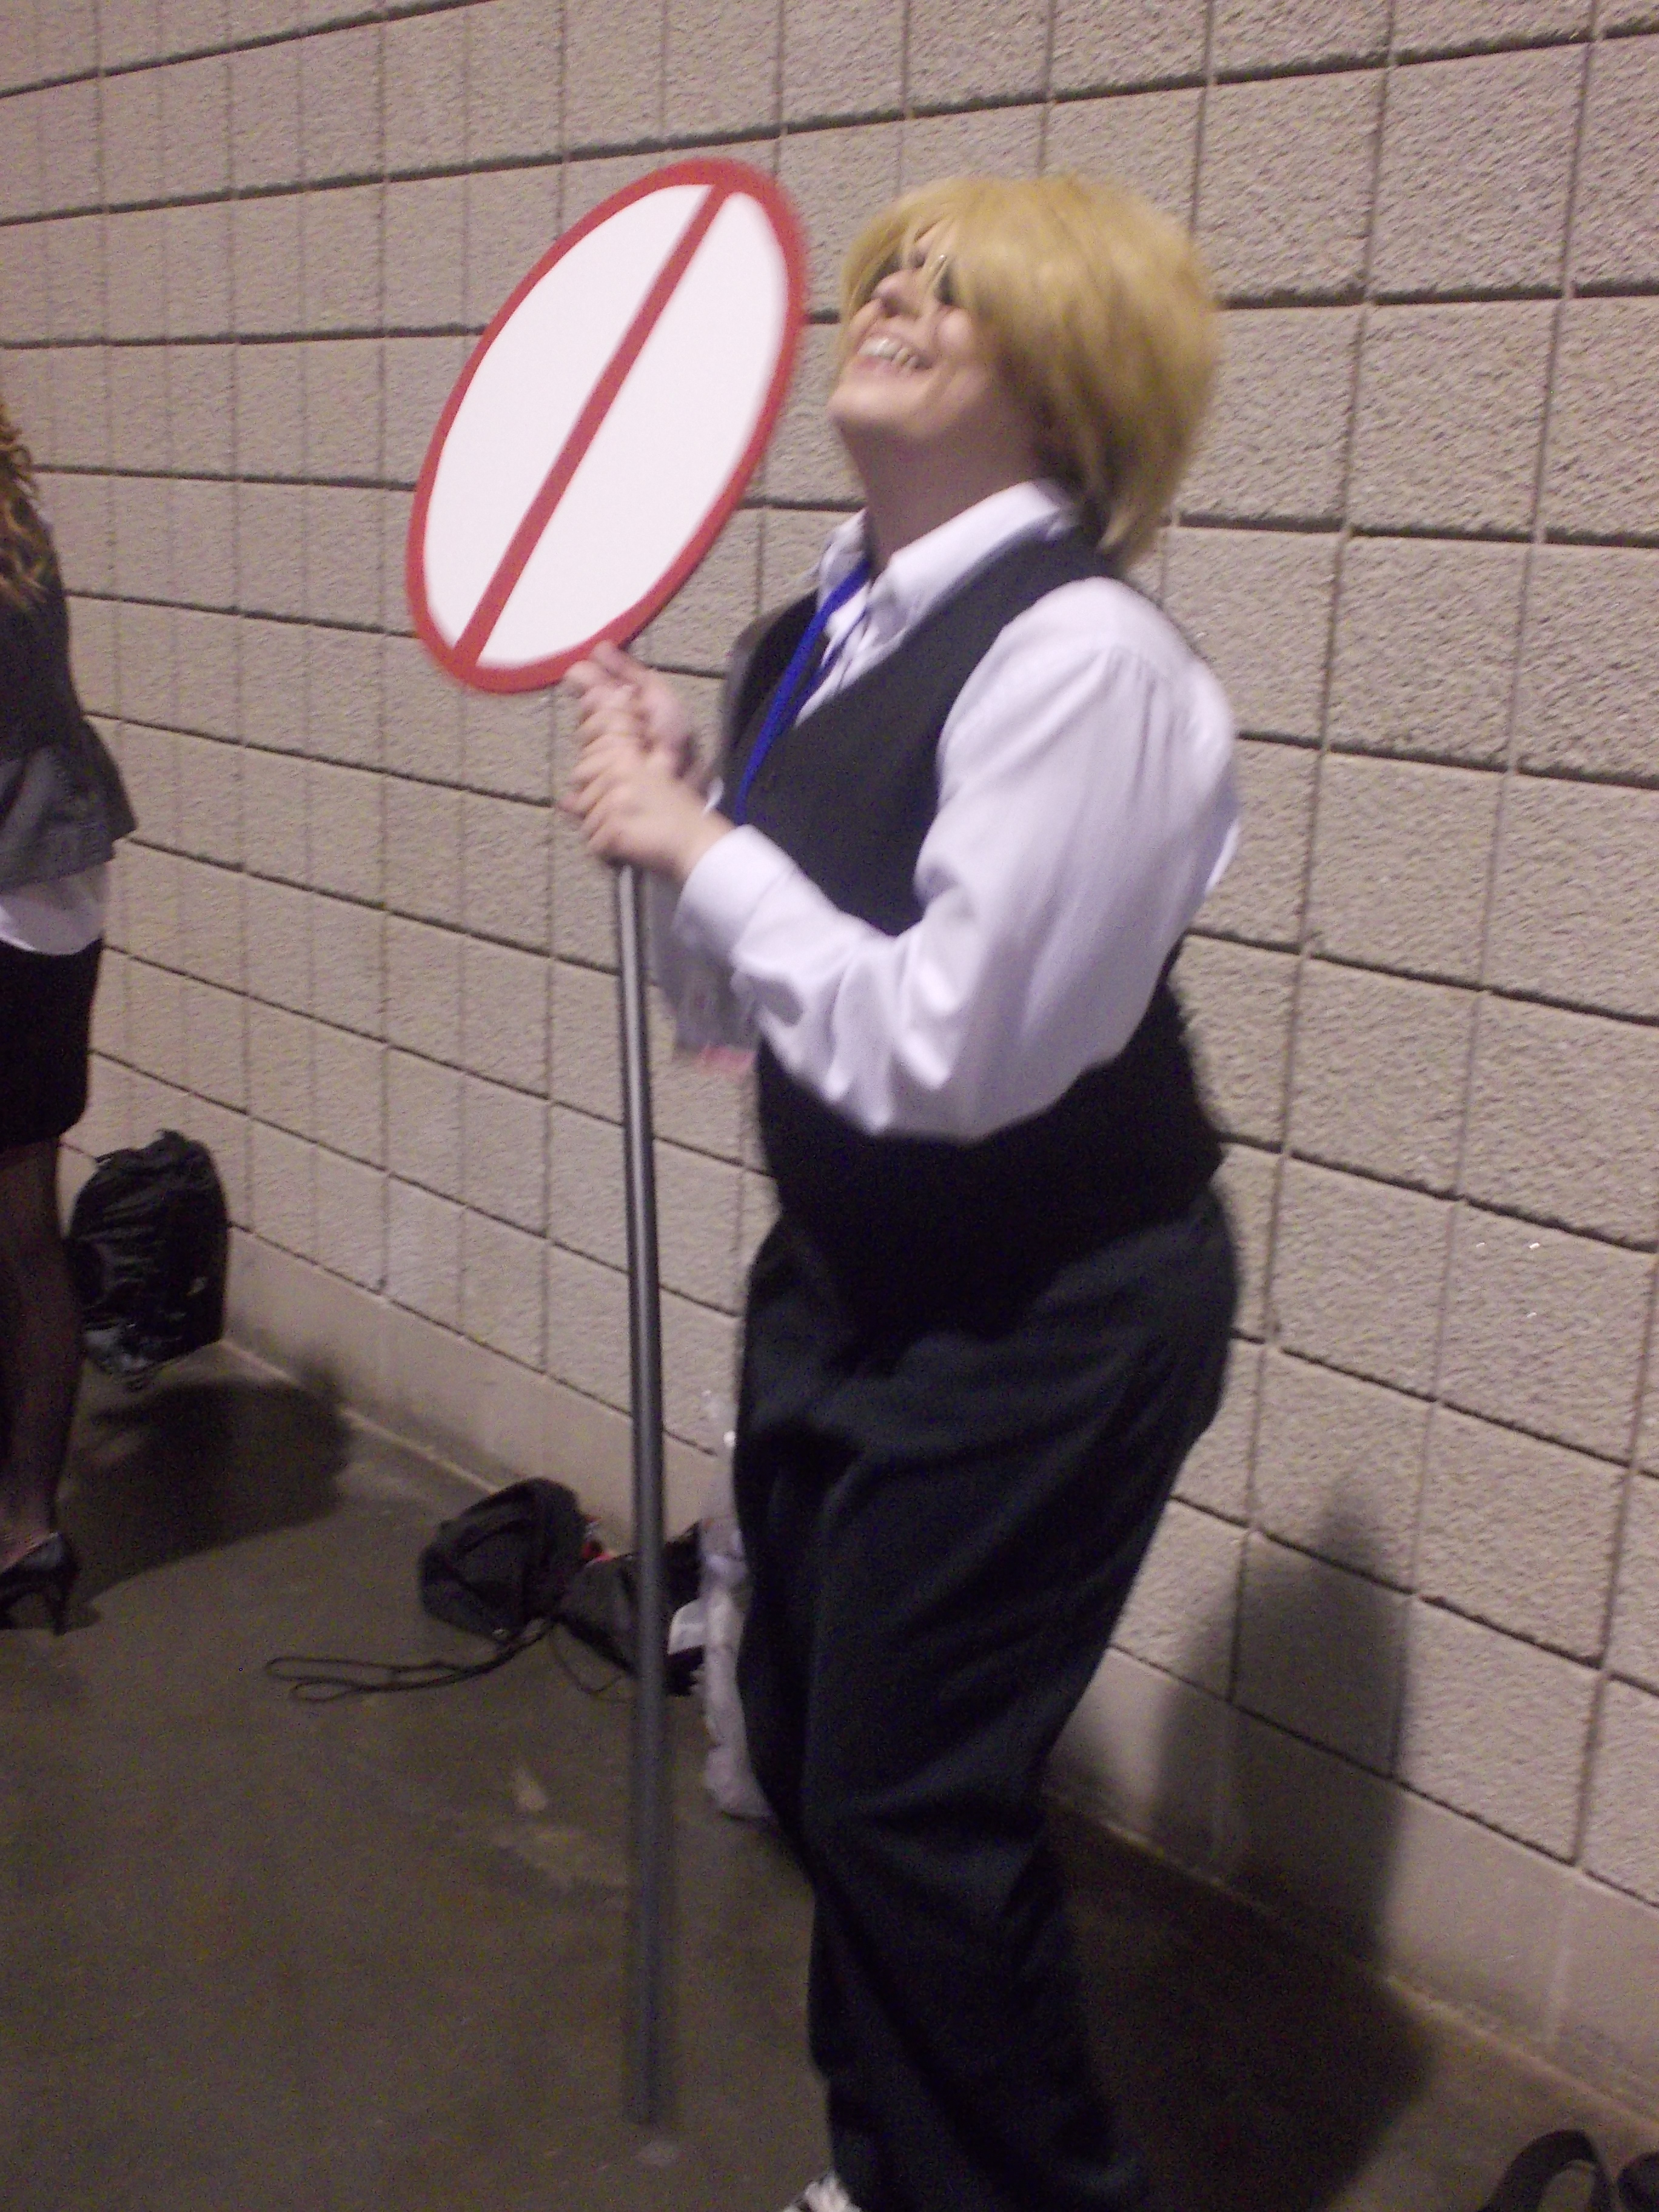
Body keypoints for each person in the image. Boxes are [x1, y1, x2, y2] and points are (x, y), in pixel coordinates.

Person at [565, 173, 1238, 2212]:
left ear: (1073, 387)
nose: (899, 303)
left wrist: (700, 848)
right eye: (892, 276)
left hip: (1049, 1310)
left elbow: (948, 1052)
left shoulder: (1087, 661)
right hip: (851, 1278)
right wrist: (680, 815)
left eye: (965, 292)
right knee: (799, 1744)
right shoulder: (803, 636)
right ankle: (901, 2168)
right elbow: (734, 1018)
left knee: (910, 1809)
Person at [0, 394, 134, 1634]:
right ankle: (28, 1525)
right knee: (21, 1221)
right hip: (49, 886)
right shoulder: (14, 517)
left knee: (20, 1226)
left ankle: (27, 1528)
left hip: (16, 891)